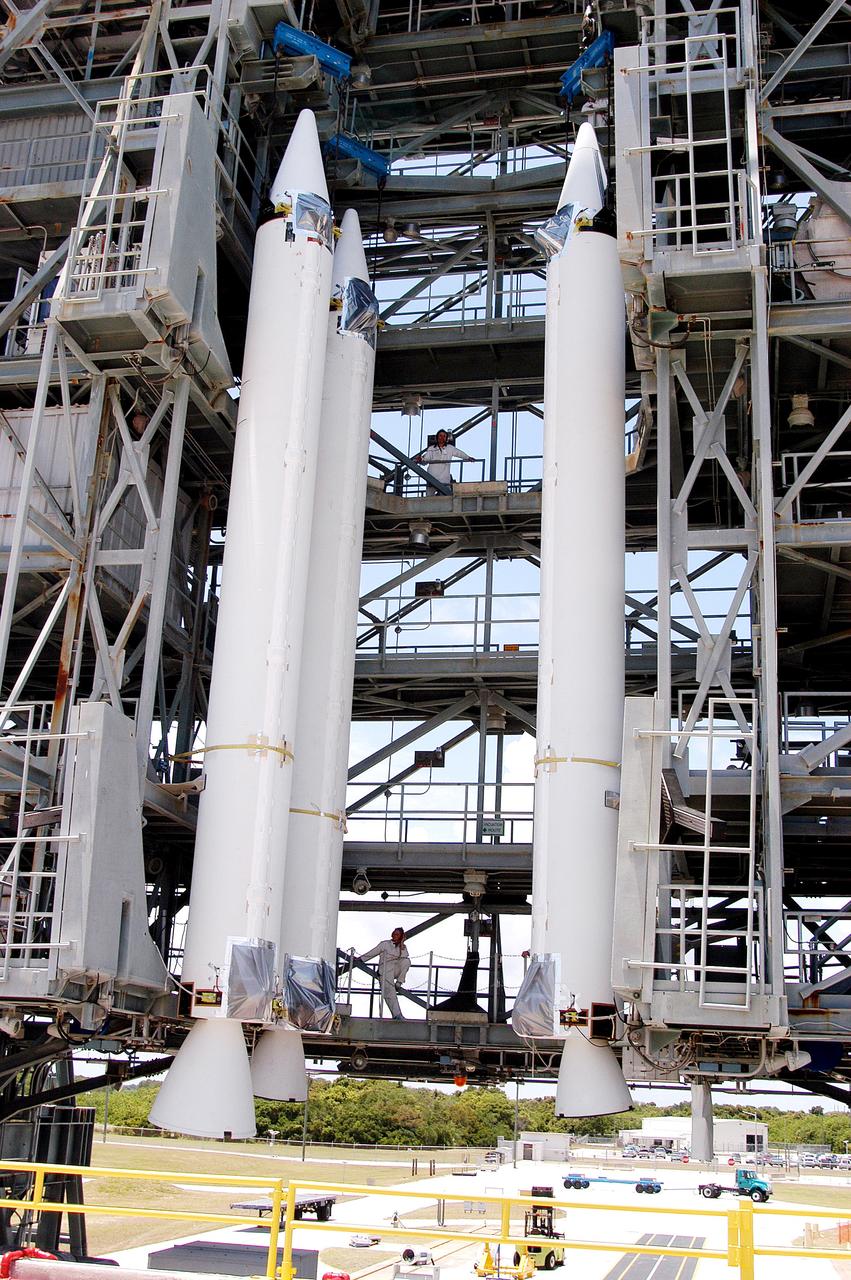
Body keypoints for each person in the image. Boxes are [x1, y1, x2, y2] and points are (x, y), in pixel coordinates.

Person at [360, 927, 410, 1020]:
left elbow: (404, 957)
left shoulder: (403, 947)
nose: (395, 936)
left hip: (395, 968)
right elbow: (373, 952)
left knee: (406, 961)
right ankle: (397, 1014)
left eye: (397, 935)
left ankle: (399, 982)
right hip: (385, 969)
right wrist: (361, 959)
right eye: (394, 934)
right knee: (390, 991)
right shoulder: (385, 944)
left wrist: (401, 944)